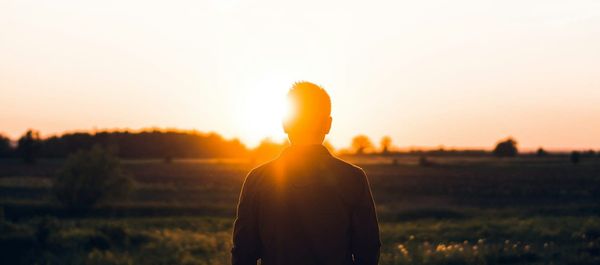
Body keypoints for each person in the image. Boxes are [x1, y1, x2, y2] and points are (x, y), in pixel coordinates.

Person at [232, 81, 380, 265]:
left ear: (285, 123)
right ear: (328, 125)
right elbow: (368, 249)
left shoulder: (257, 180)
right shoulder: (353, 179)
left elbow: (243, 254)